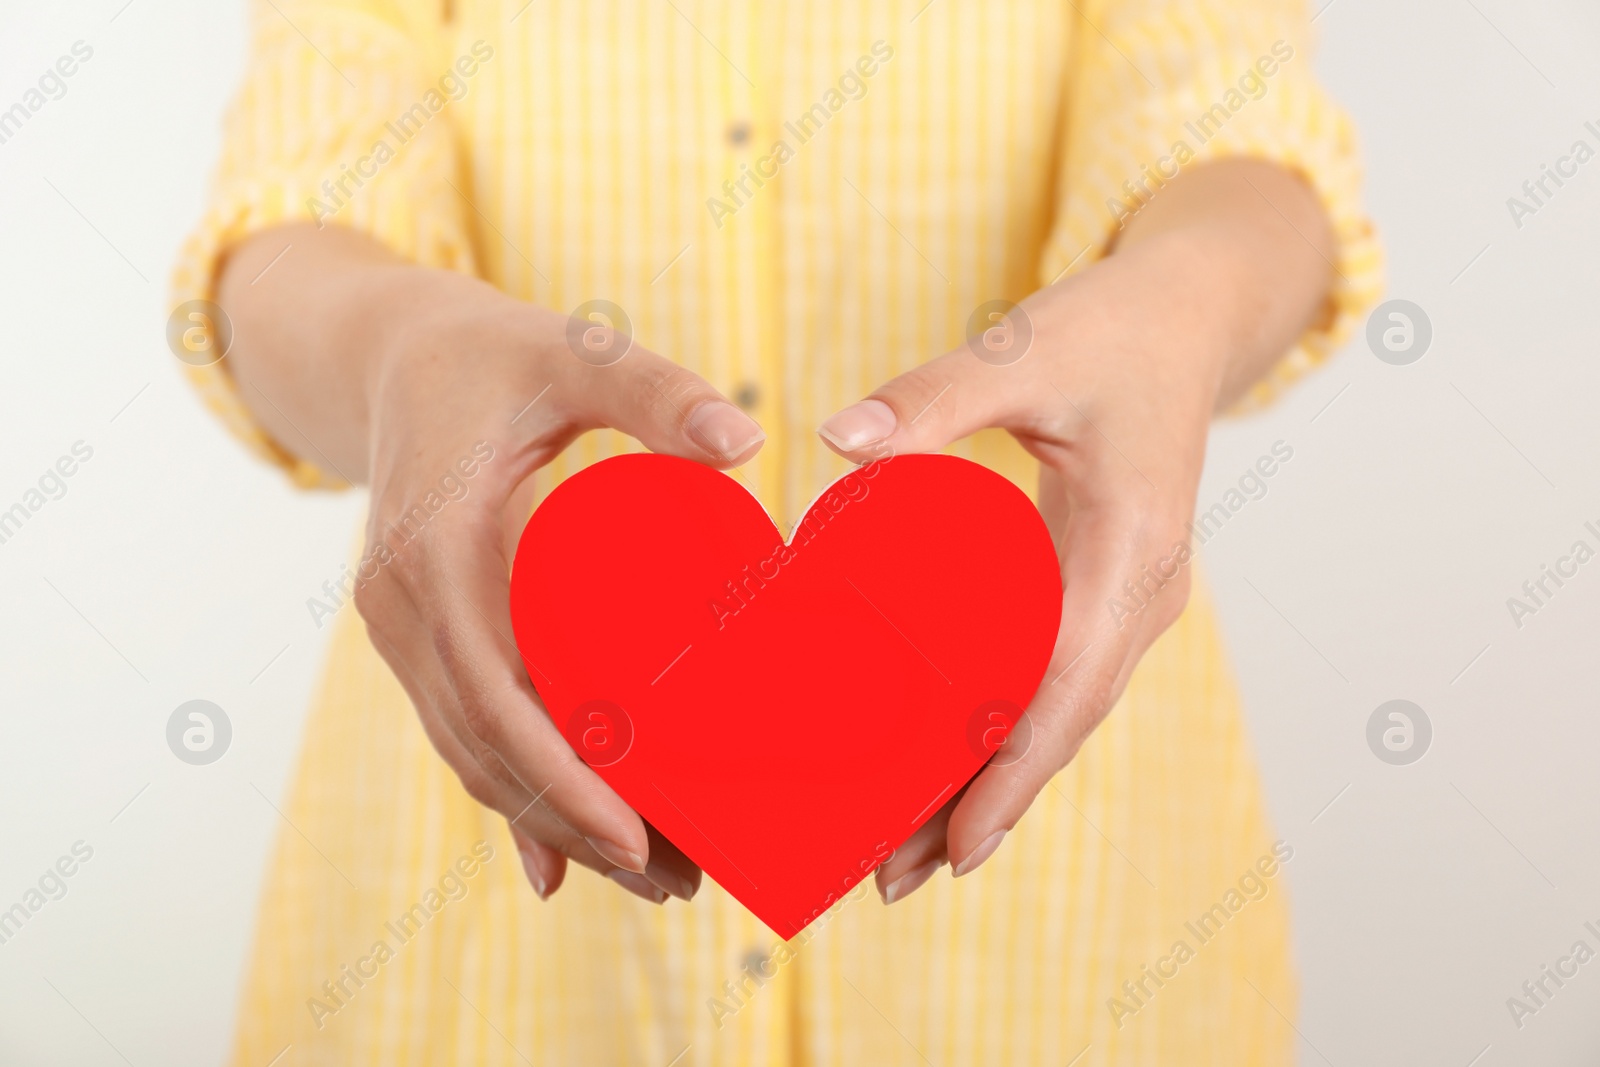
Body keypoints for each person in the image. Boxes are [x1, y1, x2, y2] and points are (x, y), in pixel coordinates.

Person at [174, 0, 1379, 1062]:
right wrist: (396, 348)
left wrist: (1188, 292)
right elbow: (289, 222)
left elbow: (1235, 120)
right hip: (479, 927)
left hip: (1077, 924)